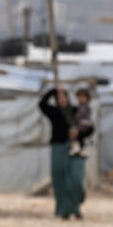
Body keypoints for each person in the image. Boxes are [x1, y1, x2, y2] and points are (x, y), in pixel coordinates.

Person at [38, 86, 86, 219]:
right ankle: (64, 209)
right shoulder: (54, 112)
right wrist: (54, 90)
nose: (62, 100)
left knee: (75, 178)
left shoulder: (76, 111)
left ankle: (75, 207)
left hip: (74, 147)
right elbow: (42, 104)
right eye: (59, 98)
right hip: (58, 146)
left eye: (64, 96)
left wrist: (79, 133)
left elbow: (88, 127)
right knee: (60, 178)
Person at [69, 88, 95, 158]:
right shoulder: (80, 106)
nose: (80, 99)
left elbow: (81, 117)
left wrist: (77, 120)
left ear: (87, 98)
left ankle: (79, 148)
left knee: (75, 133)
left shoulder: (85, 107)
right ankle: (79, 148)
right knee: (77, 136)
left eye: (82, 97)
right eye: (79, 97)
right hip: (81, 126)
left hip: (83, 126)